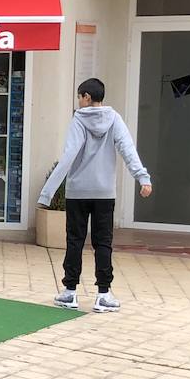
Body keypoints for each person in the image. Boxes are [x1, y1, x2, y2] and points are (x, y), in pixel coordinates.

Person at [38, 77, 152, 313]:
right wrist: (143, 177)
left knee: (74, 241)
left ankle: (70, 292)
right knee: (103, 242)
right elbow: (127, 148)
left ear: (86, 97)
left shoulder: (78, 120)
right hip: (104, 192)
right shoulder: (115, 119)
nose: (78, 101)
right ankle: (103, 294)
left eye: (80, 96)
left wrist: (47, 194)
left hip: (78, 192)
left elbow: (69, 155)